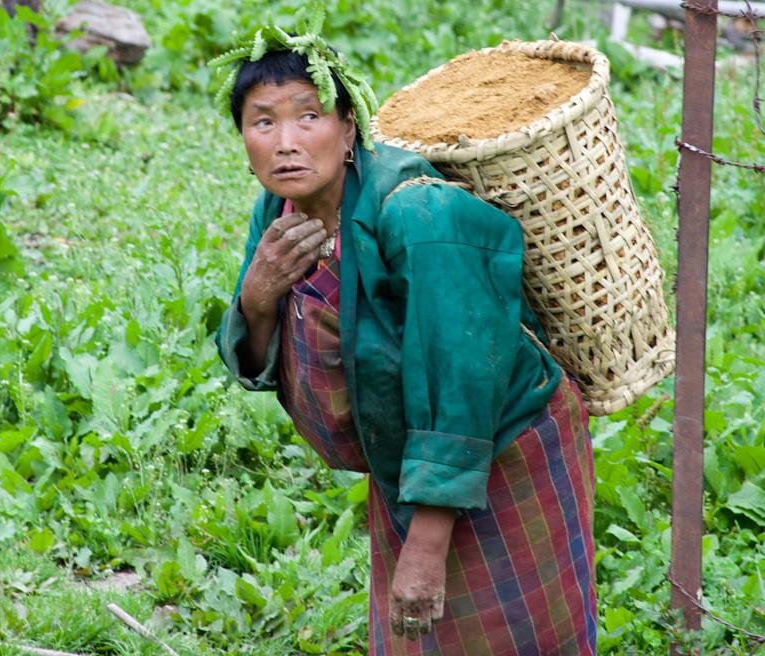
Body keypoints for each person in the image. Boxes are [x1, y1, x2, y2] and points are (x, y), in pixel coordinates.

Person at [213, 27, 597, 656]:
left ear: (348, 129)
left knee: (519, 637)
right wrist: (257, 295)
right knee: (419, 639)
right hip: (400, 457)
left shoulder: (418, 215)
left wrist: (425, 543)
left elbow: (464, 379)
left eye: (309, 116)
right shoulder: (278, 212)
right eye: (263, 123)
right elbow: (257, 358)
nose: (285, 143)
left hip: (502, 448)